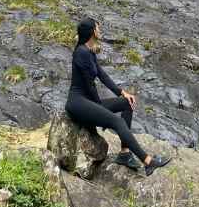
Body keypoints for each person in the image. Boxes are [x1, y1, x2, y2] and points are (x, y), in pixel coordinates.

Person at [65, 17, 171, 175]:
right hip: (77, 104)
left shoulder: (89, 51)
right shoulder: (81, 53)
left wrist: (122, 93)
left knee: (127, 103)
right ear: (92, 31)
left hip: (89, 102)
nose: (100, 31)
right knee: (116, 121)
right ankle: (148, 162)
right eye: (98, 28)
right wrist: (101, 112)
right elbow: (90, 85)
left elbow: (102, 75)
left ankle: (124, 154)